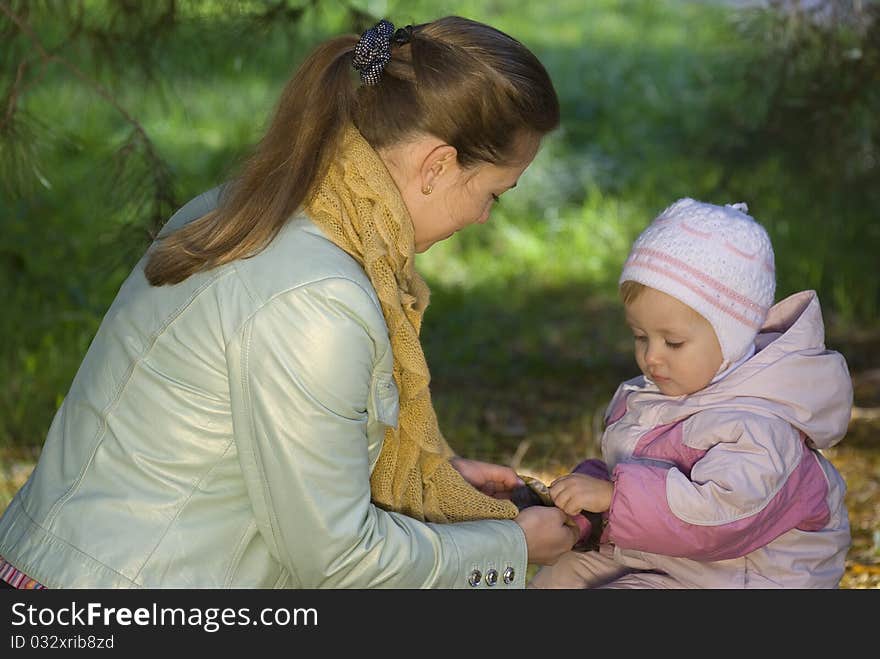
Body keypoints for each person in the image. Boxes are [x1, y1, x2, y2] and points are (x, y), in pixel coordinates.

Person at [0, 16, 579, 589]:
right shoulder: (320, 301)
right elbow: (338, 561)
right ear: (437, 166)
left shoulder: (247, 208)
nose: (482, 218)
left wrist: (434, 483)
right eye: (493, 196)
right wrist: (513, 546)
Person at [528, 197, 853, 589]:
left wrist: (613, 498)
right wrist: (584, 509)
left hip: (735, 579)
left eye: (674, 342)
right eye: (640, 337)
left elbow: (722, 518)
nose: (651, 356)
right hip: (663, 559)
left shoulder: (761, 425)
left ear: (731, 340)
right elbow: (636, 471)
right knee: (561, 577)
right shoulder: (660, 396)